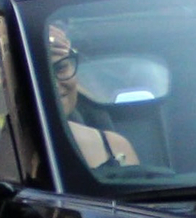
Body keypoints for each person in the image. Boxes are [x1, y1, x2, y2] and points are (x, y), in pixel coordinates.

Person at [45, 20, 139, 169]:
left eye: (61, 68)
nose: (53, 84)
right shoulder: (1, 147)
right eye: (38, 73)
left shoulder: (115, 148)